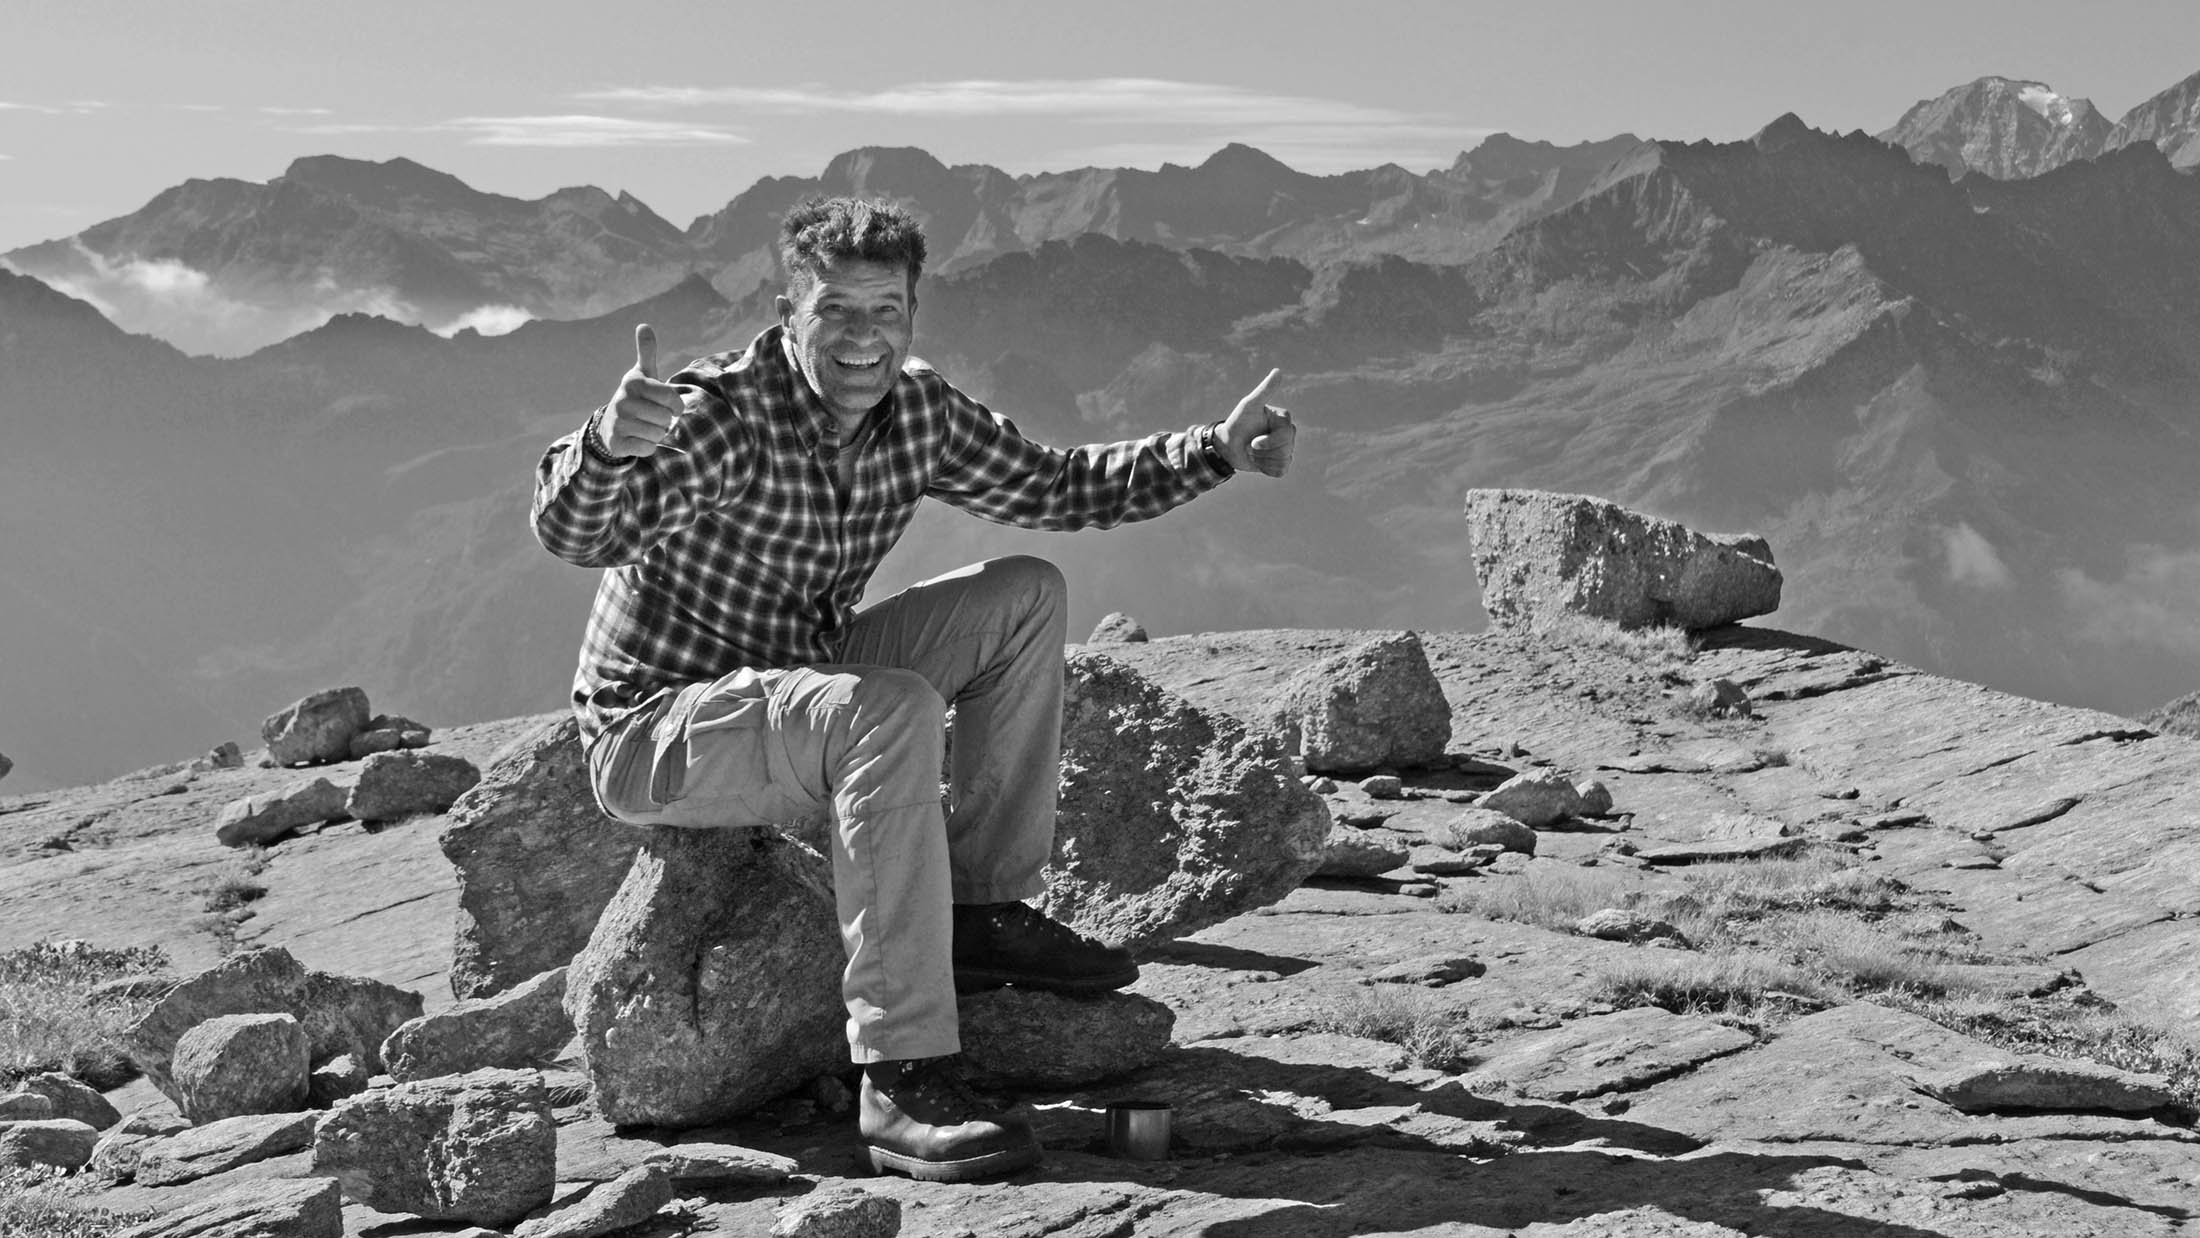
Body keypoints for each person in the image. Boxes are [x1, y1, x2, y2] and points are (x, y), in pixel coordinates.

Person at [530, 195, 1295, 1182]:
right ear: (787, 312)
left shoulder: (918, 412)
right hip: (661, 727)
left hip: (802, 677)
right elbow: (578, 533)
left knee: (1025, 595)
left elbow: (1057, 483)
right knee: (885, 707)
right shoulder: (720, 416)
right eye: (836, 310)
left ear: (912, 313)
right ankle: (901, 1074)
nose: (864, 337)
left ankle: (977, 913)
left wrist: (1214, 450)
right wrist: (604, 447)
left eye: (885, 310)